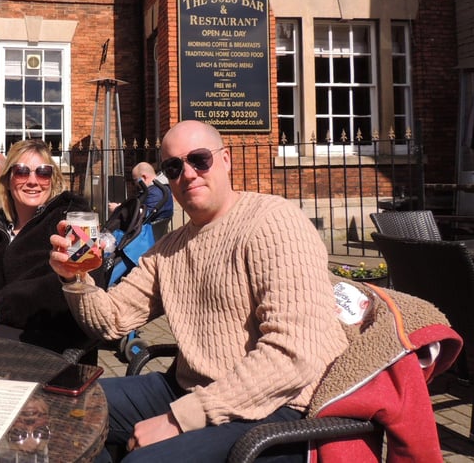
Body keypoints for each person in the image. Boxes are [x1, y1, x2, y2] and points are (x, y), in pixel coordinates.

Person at [49, 120, 348, 462]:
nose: (187, 174)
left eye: (199, 159)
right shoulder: (170, 248)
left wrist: (179, 419)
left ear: (226, 160)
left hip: (277, 405)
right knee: (65, 405)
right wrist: (74, 279)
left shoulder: (274, 222)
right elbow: (111, 320)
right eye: (173, 167)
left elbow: (293, 357)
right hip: (188, 388)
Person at [0, 139, 97, 354]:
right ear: (8, 179)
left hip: (36, 341)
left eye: (43, 172)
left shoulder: (72, 223)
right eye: (22, 171)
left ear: (53, 179)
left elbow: (83, 284)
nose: (32, 181)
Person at [108, 162, 173, 222]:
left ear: (144, 177)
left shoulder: (156, 192)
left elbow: (143, 215)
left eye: (135, 180)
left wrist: (118, 209)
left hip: (147, 231)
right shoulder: (159, 189)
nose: (135, 184)